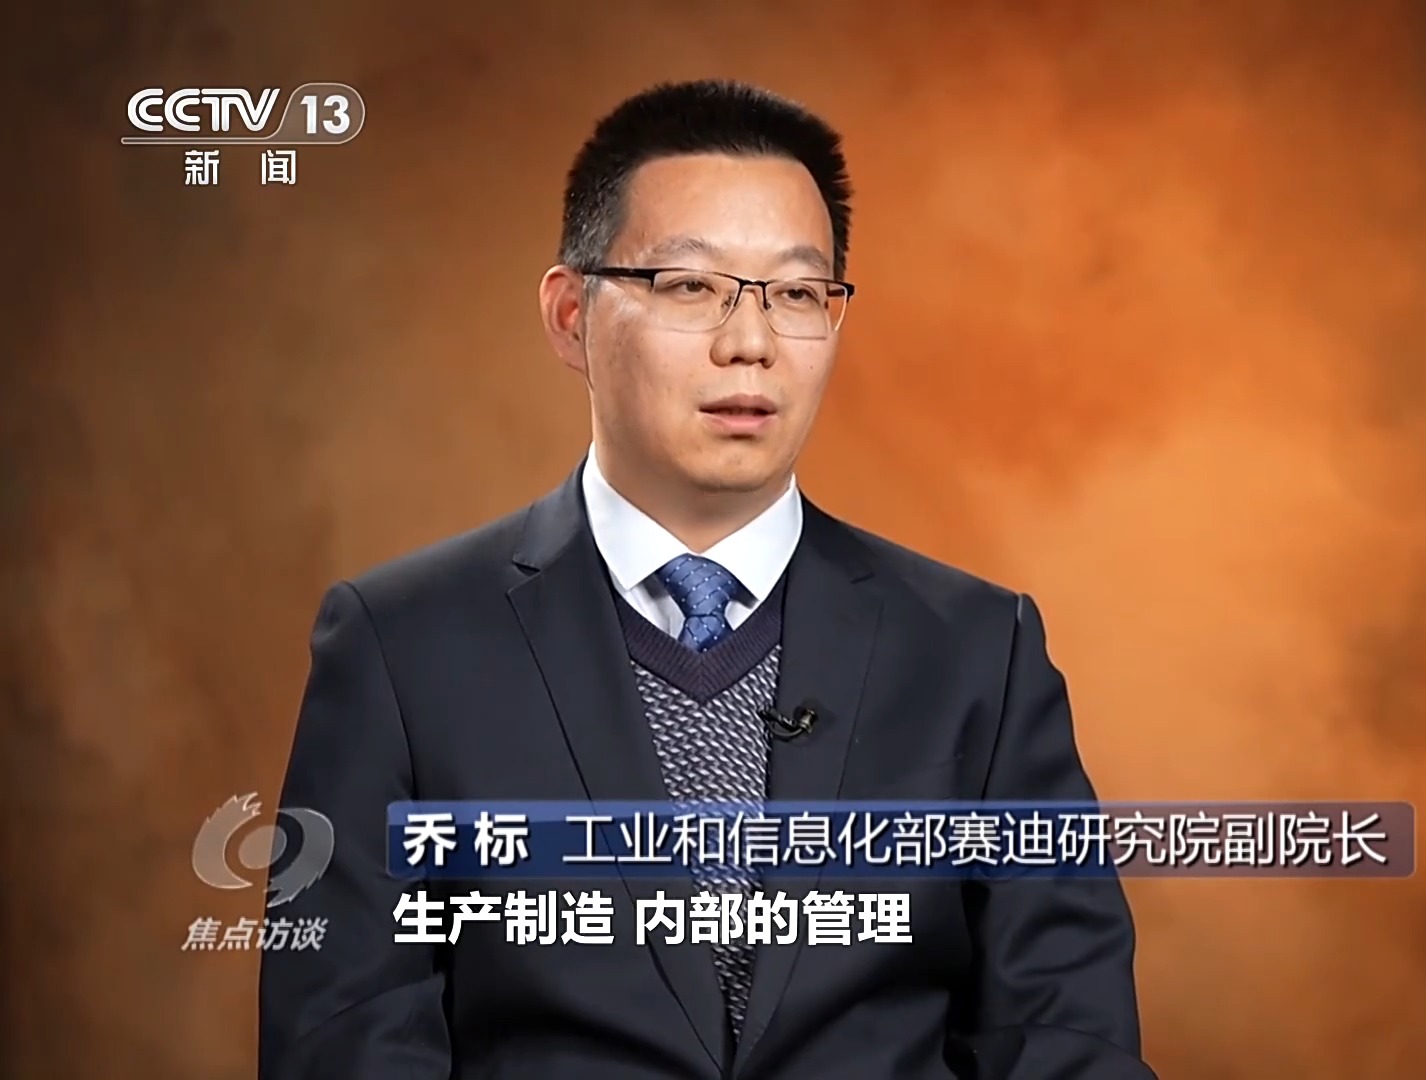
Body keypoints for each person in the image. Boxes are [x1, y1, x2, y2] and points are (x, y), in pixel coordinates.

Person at [257, 78, 1151, 1080]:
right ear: (570, 315)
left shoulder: (978, 652)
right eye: (690, 287)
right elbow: (345, 1042)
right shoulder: (401, 647)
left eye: (797, 294)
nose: (750, 344)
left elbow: (1067, 1037)